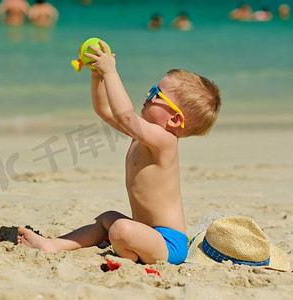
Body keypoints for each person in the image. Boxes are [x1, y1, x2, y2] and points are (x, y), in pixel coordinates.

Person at [17, 41, 221, 265]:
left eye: (156, 93)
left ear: (174, 119)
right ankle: (54, 244)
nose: (148, 93)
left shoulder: (165, 141)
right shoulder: (143, 134)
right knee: (107, 218)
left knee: (121, 229)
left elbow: (125, 116)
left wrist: (110, 71)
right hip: (145, 232)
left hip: (168, 243)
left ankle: (129, 256)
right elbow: (104, 110)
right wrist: (97, 76)